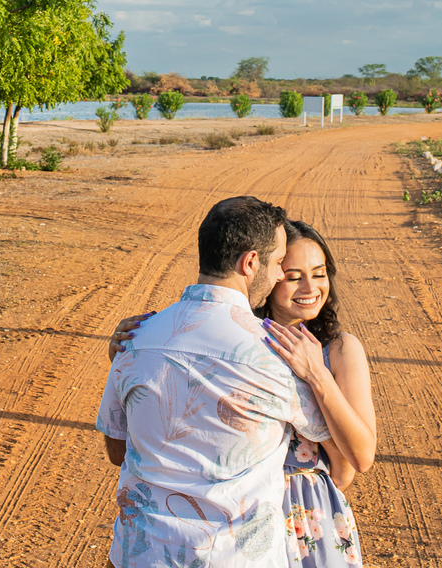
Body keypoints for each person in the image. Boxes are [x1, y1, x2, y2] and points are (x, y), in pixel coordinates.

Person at [111, 220, 375, 568]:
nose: (310, 287)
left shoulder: (338, 349)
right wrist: (128, 357)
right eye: (294, 275)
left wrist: (316, 375)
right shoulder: (242, 346)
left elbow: (350, 466)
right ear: (270, 273)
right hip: (231, 515)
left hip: (305, 514)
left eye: (320, 273)